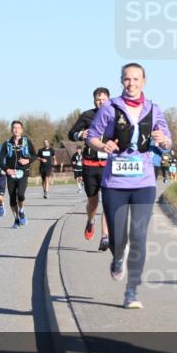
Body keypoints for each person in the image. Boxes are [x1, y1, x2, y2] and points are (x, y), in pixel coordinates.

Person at [88, 63, 172, 310]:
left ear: (144, 81)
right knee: (118, 239)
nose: (131, 83)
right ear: (121, 81)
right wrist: (102, 145)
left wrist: (163, 140)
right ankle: (117, 257)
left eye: (136, 79)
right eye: (127, 79)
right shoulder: (109, 108)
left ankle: (131, 292)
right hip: (114, 183)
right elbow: (92, 136)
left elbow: (168, 143)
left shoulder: (154, 109)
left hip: (144, 182)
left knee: (139, 236)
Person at [68, 87, 112, 250]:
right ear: (94, 101)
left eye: (104, 99)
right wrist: (80, 134)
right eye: (98, 100)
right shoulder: (87, 115)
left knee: (108, 201)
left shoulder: (115, 115)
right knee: (93, 202)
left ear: (109, 100)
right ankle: (90, 220)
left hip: (108, 165)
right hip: (90, 165)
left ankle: (105, 236)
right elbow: (71, 133)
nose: (101, 102)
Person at [0, 120, 35, 228]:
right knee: (12, 198)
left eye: (18, 128)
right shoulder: (7, 143)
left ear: (21, 130)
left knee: (21, 195)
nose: (16, 130)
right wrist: (6, 169)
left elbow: (34, 155)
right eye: (14, 128)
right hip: (11, 174)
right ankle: (16, 219)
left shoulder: (27, 142)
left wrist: (27, 160)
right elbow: (0, 160)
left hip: (23, 173)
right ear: (11, 130)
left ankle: (21, 210)